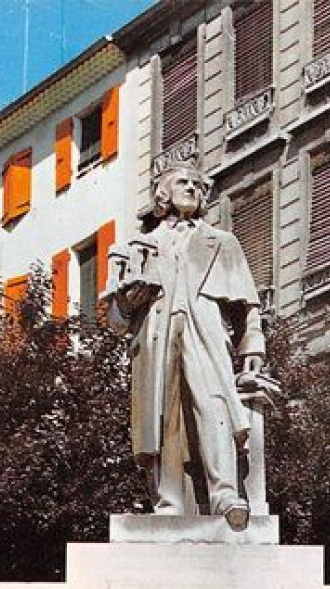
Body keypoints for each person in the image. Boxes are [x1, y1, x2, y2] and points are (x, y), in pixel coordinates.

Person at [105, 163, 266, 531]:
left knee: (214, 406)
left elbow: (246, 301)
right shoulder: (137, 246)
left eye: (198, 184)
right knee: (162, 417)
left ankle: (225, 493)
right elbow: (115, 319)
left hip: (204, 329)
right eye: (183, 183)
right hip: (155, 334)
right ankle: (168, 501)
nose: (193, 189)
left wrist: (252, 343)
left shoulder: (222, 241)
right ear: (162, 193)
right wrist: (128, 302)